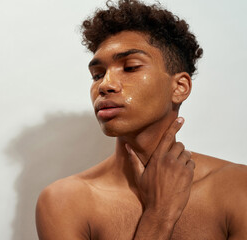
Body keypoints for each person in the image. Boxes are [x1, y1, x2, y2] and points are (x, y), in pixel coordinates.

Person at [35, 0, 247, 239]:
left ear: (179, 87)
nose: (105, 85)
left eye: (131, 67)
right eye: (97, 74)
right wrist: (159, 214)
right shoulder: (66, 201)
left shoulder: (238, 187)